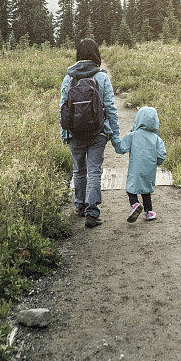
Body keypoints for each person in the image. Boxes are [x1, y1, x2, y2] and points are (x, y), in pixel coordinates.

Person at [60, 39, 120, 228]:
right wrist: (114, 134)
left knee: (79, 170)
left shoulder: (69, 77)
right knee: (94, 171)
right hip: (97, 133)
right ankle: (92, 213)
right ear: (96, 54)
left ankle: (79, 206)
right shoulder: (101, 77)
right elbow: (110, 107)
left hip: (74, 133)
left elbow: (63, 107)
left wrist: (65, 133)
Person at [112, 106, 166, 222]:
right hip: (149, 170)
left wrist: (114, 140)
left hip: (135, 169)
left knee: (131, 189)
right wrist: (155, 163)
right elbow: (161, 155)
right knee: (146, 191)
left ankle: (135, 204)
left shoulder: (133, 136)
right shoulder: (157, 139)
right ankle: (149, 212)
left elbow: (121, 149)